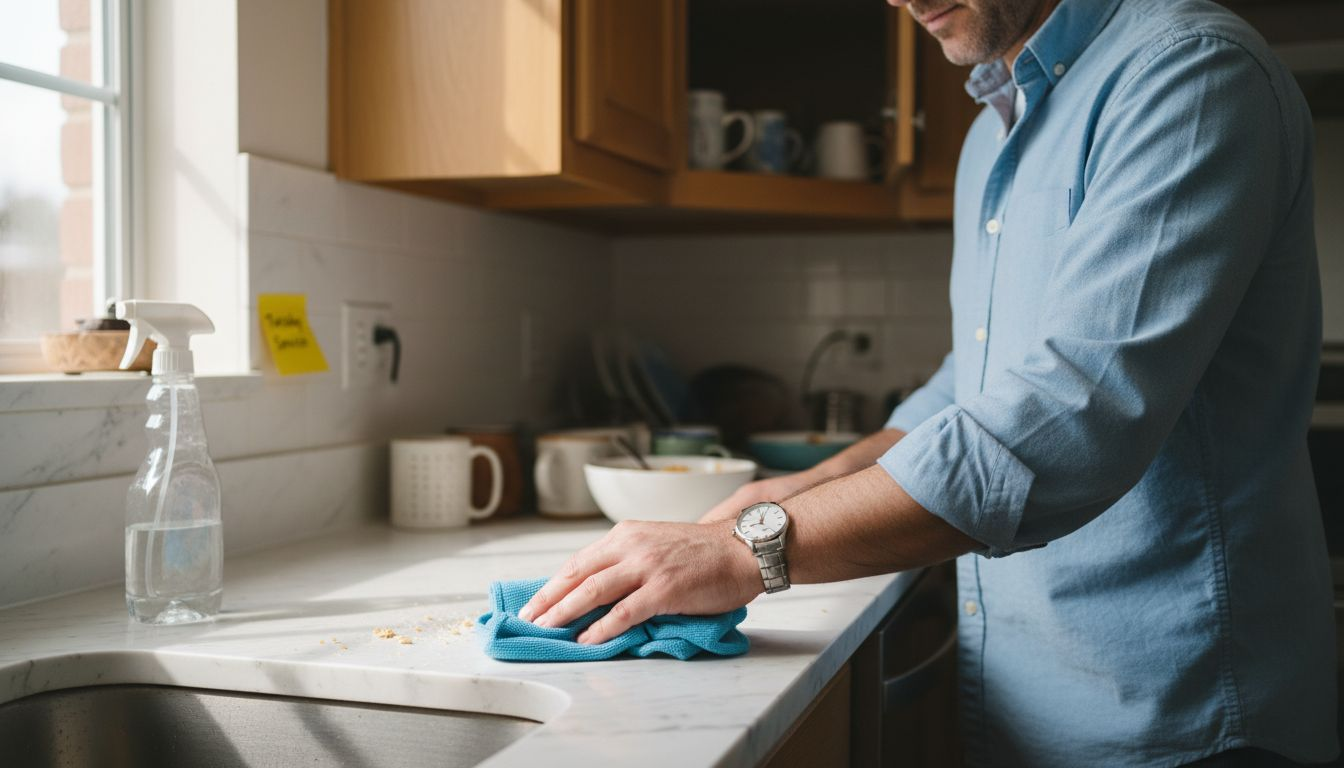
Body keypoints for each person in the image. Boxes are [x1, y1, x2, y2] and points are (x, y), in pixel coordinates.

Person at [518, 0, 1338, 763]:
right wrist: (795, 488)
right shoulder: (992, 132)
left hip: (1186, 715)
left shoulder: (1189, 74)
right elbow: (970, 385)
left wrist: (745, 550)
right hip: (1026, 701)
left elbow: (1072, 419)